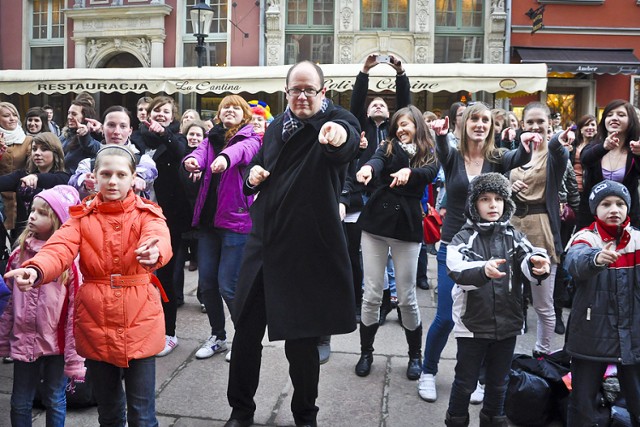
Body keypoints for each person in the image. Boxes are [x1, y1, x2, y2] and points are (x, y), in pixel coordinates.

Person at [224, 60, 360, 427]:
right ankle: (241, 410)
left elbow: (343, 141)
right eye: (295, 90)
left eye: (309, 90)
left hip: (304, 252)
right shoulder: (273, 129)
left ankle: (305, 414)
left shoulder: (335, 122)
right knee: (246, 335)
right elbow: (263, 170)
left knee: (301, 344)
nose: (302, 96)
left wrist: (336, 135)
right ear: (286, 93)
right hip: (263, 244)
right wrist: (253, 179)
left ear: (323, 93)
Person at [4, 145, 172, 427]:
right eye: (106, 174)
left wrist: (155, 254)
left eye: (121, 174)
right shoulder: (81, 218)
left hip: (140, 320)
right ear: (94, 176)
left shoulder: (148, 213)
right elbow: (58, 248)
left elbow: (159, 237)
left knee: (142, 415)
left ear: (133, 178)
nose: (113, 181)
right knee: (108, 413)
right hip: (96, 323)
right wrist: (35, 269)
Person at [419, 102, 535, 403]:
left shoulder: (497, 158)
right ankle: (428, 371)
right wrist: (442, 136)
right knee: (446, 317)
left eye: (485, 120)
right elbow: (442, 150)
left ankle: (482, 379)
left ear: (491, 126)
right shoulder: (454, 157)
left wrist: (525, 143)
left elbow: (518, 156)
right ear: (465, 124)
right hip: (453, 245)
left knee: (486, 316)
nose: (480, 124)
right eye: (475, 119)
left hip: (489, 248)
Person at [444, 173, 550, 427]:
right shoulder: (464, 237)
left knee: (499, 380)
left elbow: (529, 257)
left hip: (508, 322)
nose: (493, 205)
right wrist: (482, 271)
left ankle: (493, 418)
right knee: (465, 381)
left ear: (506, 203)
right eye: (485, 199)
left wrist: (538, 264)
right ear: (474, 205)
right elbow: (456, 269)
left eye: (499, 199)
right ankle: (456, 419)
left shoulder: (513, 235)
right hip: (473, 325)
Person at [354, 105, 439, 380]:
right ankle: (366, 352)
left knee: (407, 298)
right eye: (399, 124)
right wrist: (367, 167)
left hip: (407, 228)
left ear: (418, 126)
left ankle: (415, 355)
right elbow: (377, 161)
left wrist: (410, 174)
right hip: (376, 226)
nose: (402, 128)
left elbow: (430, 173)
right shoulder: (387, 146)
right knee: (371, 294)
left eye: (408, 124)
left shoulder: (428, 152)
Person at [183, 95, 262, 362]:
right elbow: (198, 153)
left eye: (235, 107)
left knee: (228, 285)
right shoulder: (211, 137)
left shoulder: (251, 139)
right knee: (207, 285)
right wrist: (190, 162)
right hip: (207, 223)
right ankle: (218, 336)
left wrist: (225, 159)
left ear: (244, 115)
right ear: (219, 114)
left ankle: (244, 337)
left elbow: (241, 154)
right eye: (225, 107)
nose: (229, 110)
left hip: (236, 222)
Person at [0, 185, 83, 427]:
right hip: (23, 337)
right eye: (33, 210)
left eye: (42, 213)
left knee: (55, 397)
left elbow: (74, 309)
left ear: (59, 221)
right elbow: (7, 302)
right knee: (20, 399)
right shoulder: (18, 255)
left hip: (55, 342)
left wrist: (72, 350)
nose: (33, 216)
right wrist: (5, 336)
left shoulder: (70, 263)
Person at [342, 52, 410, 333]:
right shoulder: (362, 127)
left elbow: (405, 105)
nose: (378, 105)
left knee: (388, 252)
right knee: (361, 252)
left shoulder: (395, 132)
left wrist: (400, 75)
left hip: (389, 197)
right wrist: (365, 71)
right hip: (362, 196)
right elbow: (356, 101)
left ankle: (385, 302)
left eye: (383, 103)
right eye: (374, 104)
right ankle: (361, 301)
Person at [564, 180, 640, 426]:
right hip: (590, 335)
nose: (614, 209)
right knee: (582, 402)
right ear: (595, 210)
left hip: (634, 334)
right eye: (606, 204)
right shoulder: (585, 237)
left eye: (620, 203)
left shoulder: (637, 239)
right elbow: (575, 261)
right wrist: (596, 258)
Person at [509, 102, 570, 358]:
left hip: (541, 230)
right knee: (508, 299)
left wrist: (557, 139)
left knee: (543, 303)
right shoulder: (514, 154)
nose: (535, 127)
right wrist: (507, 188)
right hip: (512, 228)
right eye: (530, 122)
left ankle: (542, 353)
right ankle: (502, 355)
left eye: (540, 122)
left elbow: (559, 149)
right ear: (522, 125)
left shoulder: (555, 156)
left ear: (549, 124)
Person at [139, 96, 190, 358]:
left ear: (172, 117)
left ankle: (169, 333)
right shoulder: (138, 140)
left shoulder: (178, 139)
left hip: (168, 219)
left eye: (166, 112)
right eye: (156, 110)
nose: (160, 115)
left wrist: (166, 135)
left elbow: (183, 155)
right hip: (137, 218)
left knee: (166, 277)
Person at [68, 106, 157, 200]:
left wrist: (138, 177)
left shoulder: (144, 161)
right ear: (102, 128)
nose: (117, 132)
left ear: (130, 131)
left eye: (123, 126)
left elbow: (149, 171)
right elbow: (73, 184)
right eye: (111, 125)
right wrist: (84, 183)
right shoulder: (87, 164)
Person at [580, 99, 640, 227]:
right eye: (609, 114)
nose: (614, 118)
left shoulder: (635, 149)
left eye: (621, 115)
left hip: (627, 220)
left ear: (631, 121)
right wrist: (604, 147)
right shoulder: (596, 146)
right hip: (592, 219)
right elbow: (585, 159)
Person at [0, 132, 70, 237]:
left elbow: (58, 180)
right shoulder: (22, 175)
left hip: (50, 238)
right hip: (22, 238)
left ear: (55, 152)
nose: (37, 153)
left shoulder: (63, 177)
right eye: (34, 149)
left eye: (44, 149)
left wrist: (36, 177)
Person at [176, 120, 207, 305]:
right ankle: (177, 297)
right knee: (178, 262)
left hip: (201, 217)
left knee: (203, 261)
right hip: (181, 216)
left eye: (198, 135)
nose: (194, 137)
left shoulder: (207, 157)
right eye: (191, 134)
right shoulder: (180, 155)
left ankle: (204, 298)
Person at [0, 102, 34, 231]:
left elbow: (32, 167)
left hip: (19, 198)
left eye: (15, 115)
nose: (12, 119)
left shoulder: (27, 140)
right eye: (6, 116)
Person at [59, 99, 101, 173]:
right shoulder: (65, 135)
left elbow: (90, 146)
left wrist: (84, 136)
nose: (69, 117)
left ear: (85, 117)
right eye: (69, 113)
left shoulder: (94, 135)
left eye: (74, 114)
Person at [572, 114, 597, 230]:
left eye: (593, 124)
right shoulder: (573, 145)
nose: (590, 127)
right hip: (572, 190)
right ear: (581, 129)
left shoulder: (599, 147)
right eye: (587, 125)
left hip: (589, 189)